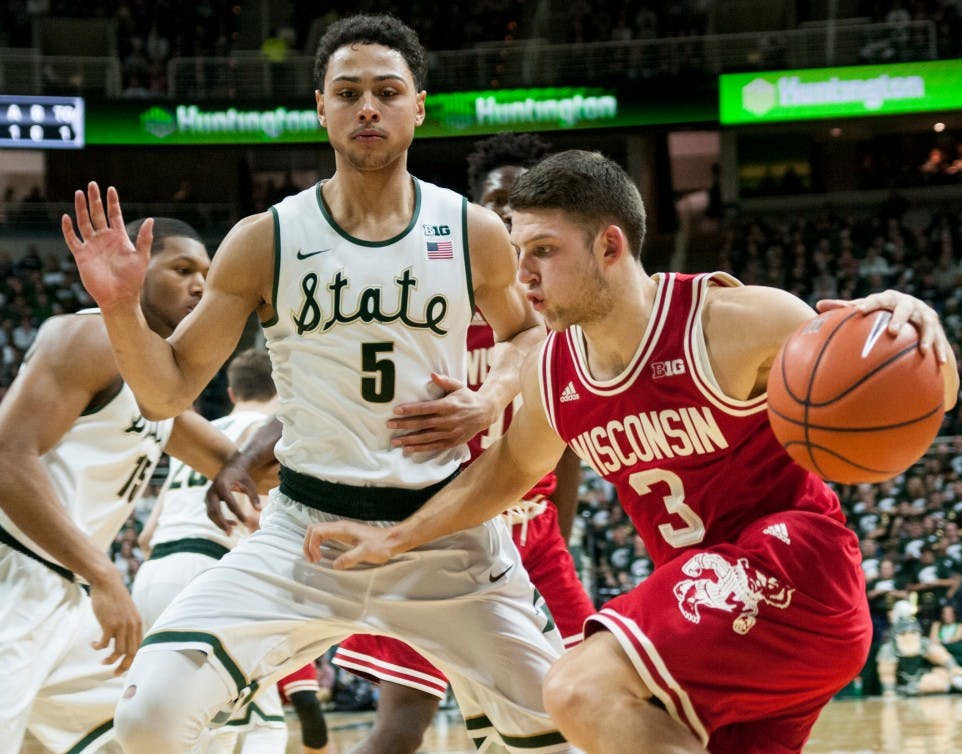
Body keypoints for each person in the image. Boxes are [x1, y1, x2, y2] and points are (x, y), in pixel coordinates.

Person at [302, 149, 960, 754]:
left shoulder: (731, 323)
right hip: (725, 618)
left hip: (794, 568)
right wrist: (395, 538)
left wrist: (911, 322)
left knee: (578, 688)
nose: (522, 274)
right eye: (514, 252)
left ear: (609, 245)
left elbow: (913, 388)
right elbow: (504, 473)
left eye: (542, 251)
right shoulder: (555, 372)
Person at [64, 13, 568, 754]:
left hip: (444, 536)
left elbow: (531, 334)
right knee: (149, 718)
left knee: (570, 728)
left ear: (418, 106)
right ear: (320, 106)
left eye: (388, 91)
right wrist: (118, 309)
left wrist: (489, 396)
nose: (369, 106)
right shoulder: (265, 238)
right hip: (304, 536)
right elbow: (166, 393)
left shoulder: (470, 231)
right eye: (349, 91)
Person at [329, 132, 596, 754]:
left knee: (582, 699)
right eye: (496, 203)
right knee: (403, 722)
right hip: (437, 530)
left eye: (523, 203)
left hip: (534, 533)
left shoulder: (559, 315)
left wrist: (558, 529)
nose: (507, 215)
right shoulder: (426, 296)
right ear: (475, 210)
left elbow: (570, 440)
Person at [0, 217, 260, 753]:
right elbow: (6, 457)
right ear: (135, 270)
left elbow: (239, 463)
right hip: (18, 574)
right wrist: (104, 576)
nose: (199, 286)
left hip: (65, 593)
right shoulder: (90, 334)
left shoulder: (155, 383)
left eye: (207, 275)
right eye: (182, 268)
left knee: (141, 727)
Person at [132, 348, 328, 754]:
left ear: (232, 393)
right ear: (282, 389)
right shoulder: (276, 435)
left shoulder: (200, 432)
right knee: (260, 722)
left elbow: (145, 536)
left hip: (151, 577)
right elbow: (262, 520)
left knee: (181, 720)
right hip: (208, 573)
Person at [876, 614, 962, 697]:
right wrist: (889, 690)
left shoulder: (924, 643)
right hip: (903, 686)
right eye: (904, 633)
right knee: (930, 683)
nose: (909, 636)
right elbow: (887, 674)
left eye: (913, 632)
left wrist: (953, 667)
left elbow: (942, 656)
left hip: (921, 677)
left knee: (941, 674)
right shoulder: (888, 649)